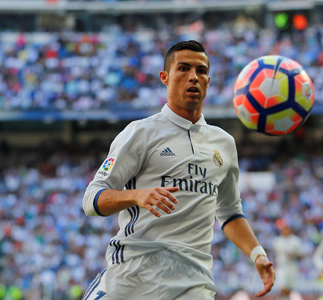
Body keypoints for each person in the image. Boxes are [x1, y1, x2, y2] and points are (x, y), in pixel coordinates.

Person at [82, 40, 275, 300]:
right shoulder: (141, 133)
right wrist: (136, 196)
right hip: (134, 276)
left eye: (201, 70)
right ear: (165, 77)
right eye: (183, 68)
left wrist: (257, 254)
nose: (193, 77)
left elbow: (229, 212)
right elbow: (91, 199)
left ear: (209, 80)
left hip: (193, 284)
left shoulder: (224, 144)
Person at [272, 219, 304, 300]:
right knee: (283, 287)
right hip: (282, 266)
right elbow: (275, 256)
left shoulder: (296, 241)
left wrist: (294, 255)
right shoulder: (277, 241)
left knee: (289, 288)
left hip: (292, 266)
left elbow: (302, 255)